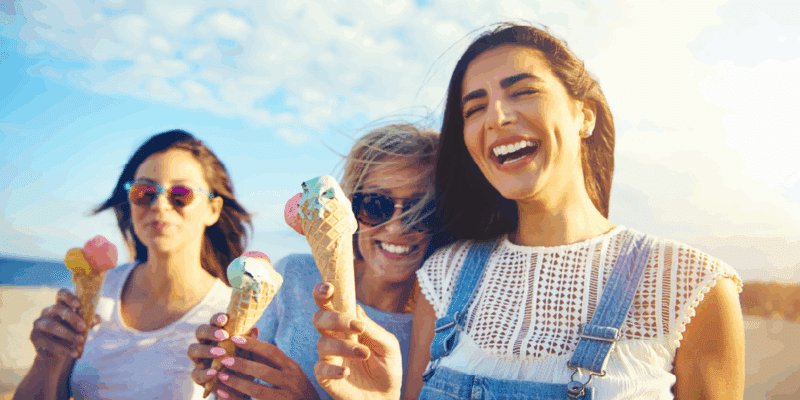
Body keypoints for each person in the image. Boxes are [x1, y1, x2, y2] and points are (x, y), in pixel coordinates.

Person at [310, 23, 746, 400]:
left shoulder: (691, 287)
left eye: (523, 91)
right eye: (474, 108)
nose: (496, 117)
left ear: (584, 114)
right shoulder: (441, 278)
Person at [187, 124, 440, 400]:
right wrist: (232, 384)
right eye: (376, 205)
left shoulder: (447, 328)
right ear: (351, 208)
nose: (396, 228)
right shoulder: (293, 275)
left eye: (421, 210)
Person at [14, 130, 252, 400]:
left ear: (213, 209)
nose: (160, 204)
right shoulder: (96, 296)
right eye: (145, 191)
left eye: (180, 194)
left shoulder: (228, 321)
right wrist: (47, 359)